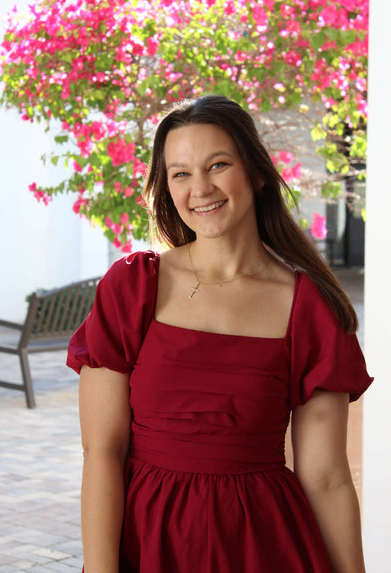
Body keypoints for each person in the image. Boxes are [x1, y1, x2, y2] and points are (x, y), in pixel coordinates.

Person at [67, 95, 373, 573]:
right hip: (146, 543)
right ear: (166, 187)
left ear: (255, 172)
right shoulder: (132, 287)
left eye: (218, 164)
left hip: (262, 545)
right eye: (180, 173)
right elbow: (102, 449)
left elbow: (327, 478)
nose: (201, 187)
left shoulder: (309, 307)